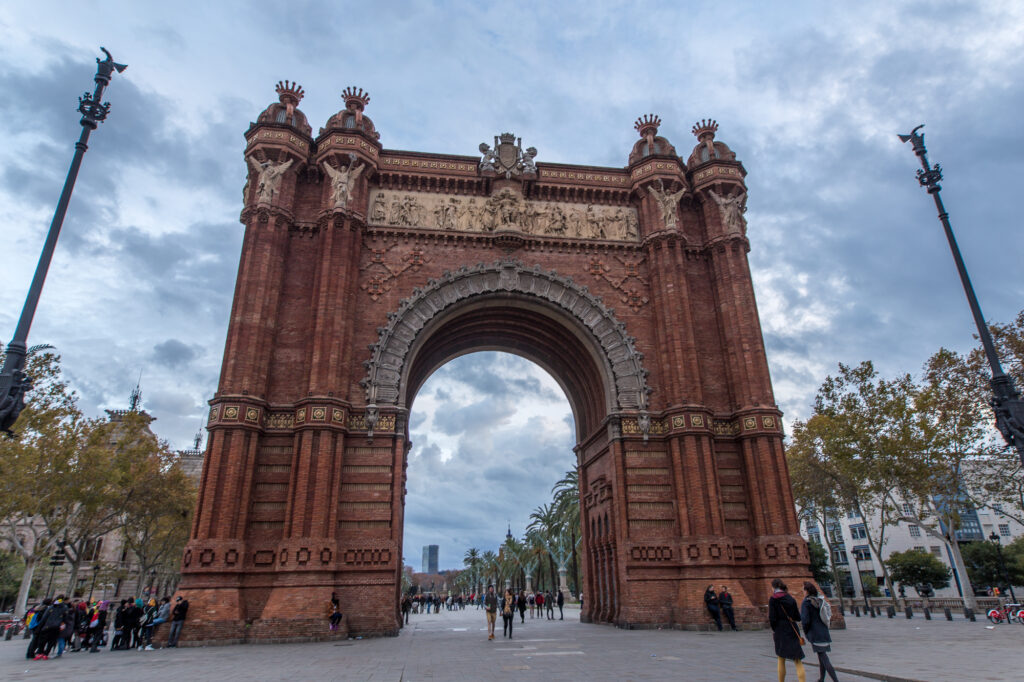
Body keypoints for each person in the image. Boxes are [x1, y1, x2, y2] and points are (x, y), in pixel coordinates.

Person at [768, 578, 806, 682]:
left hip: (780, 629)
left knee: (781, 658)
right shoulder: (790, 598)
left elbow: (772, 618)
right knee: (797, 660)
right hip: (792, 629)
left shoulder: (773, 599)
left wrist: (775, 629)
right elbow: (798, 617)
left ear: (774, 587)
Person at [801, 582, 839, 682]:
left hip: (815, 633)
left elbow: (805, 620)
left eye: (803, 590)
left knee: (824, 657)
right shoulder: (820, 600)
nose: (802, 592)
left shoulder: (806, 602)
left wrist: (806, 632)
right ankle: (822, 678)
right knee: (821, 655)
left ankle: (836, 680)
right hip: (824, 631)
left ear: (807, 591)